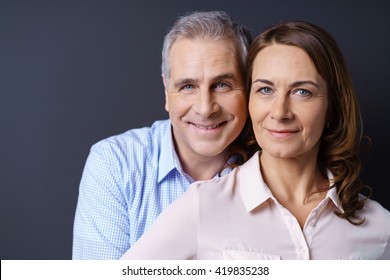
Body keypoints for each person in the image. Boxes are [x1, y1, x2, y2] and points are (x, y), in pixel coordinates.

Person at [120, 20, 390, 260]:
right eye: (265, 89)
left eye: (302, 92)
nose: (280, 112)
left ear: (332, 106)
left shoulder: (380, 227)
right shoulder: (203, 206)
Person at [72, 11, 253, 259]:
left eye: (222, 85)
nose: (205, 108)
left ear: (249, 87)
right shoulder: (115, 164)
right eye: (188, 86)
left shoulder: (276, 168)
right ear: (167, 92)